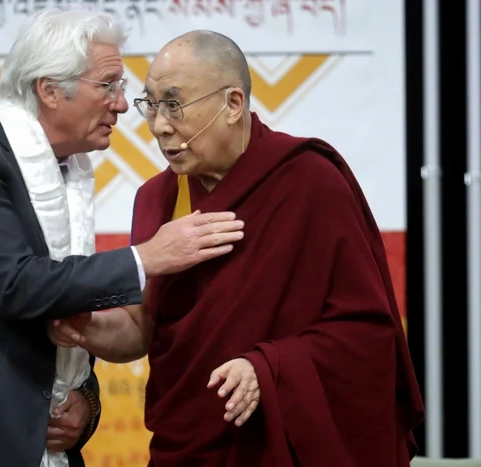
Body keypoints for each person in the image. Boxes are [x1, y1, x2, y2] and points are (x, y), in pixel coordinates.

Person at [0, 13, 245, 467]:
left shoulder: (70, 172)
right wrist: (147, 258)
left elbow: (63, 320)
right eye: (109, 86)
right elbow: (18, 285)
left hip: (29, 435)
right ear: (50, 89)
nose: (120, 105)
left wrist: (85, 403)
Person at [49, 30, 426, 466]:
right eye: (150, 104)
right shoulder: (156, 199)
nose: (158, 126)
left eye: (174, 104)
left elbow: (368, 335)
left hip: (278, 443)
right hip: (187, 444)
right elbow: (143, 328)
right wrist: (88, 326)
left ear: (232, 104)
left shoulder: (310, 183)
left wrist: (269, 368)